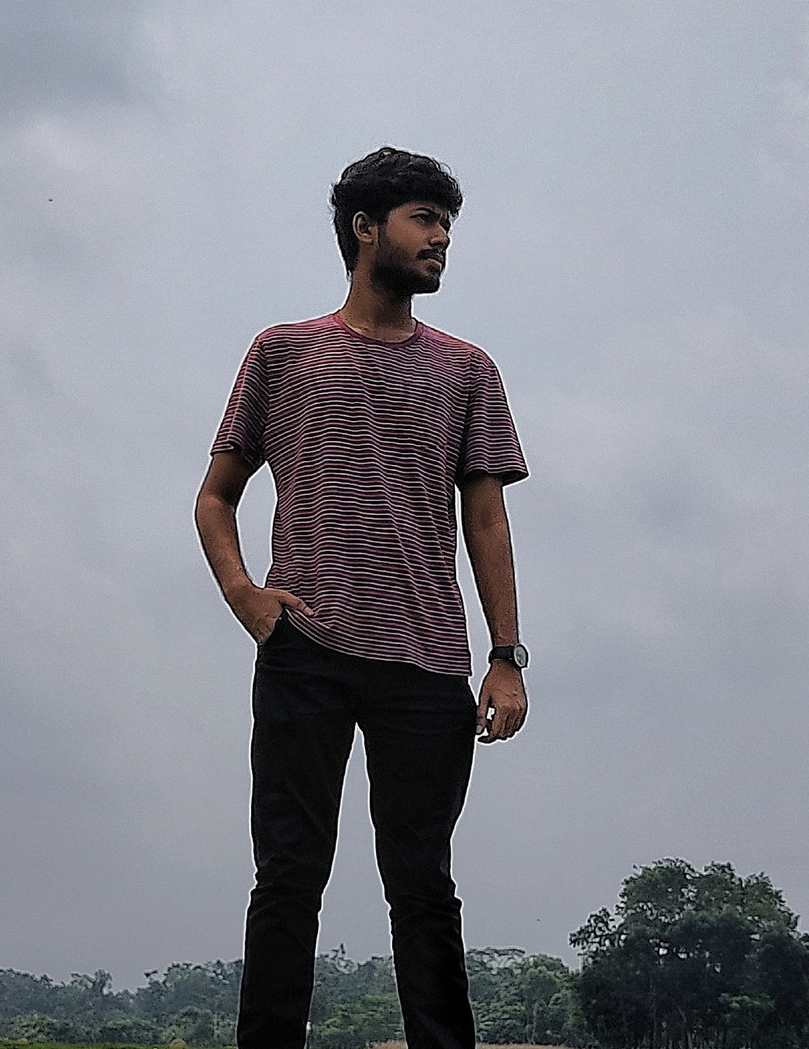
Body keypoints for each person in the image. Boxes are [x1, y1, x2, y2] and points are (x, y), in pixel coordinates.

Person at [194, 147, 530, 1049]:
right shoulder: (284, 353)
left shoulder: (467, 370)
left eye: (447, 223)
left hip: (427, 660)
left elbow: (486, 518)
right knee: (289, 875)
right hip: (305, 650)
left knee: (423, 885)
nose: (442, 238)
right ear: (365, 228)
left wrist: (505, 657)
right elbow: (215, 496)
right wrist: (246, 596)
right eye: (425, 219)